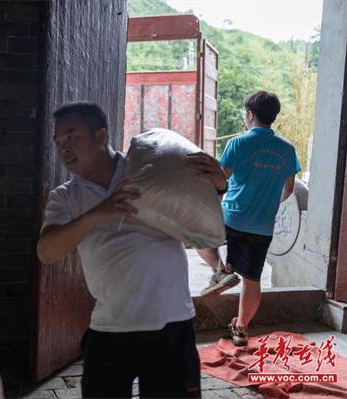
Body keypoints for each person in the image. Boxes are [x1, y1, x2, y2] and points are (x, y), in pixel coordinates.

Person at [36, 102, 227, 398]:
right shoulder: (66, 198)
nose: (64, 148)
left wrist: (217, 187)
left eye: (72, 137)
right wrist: (98, 214)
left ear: (101, 137)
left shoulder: (153, 171)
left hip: (171, 323)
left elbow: (203, 214)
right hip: (111, 327)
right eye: (59, 142)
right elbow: (46, 251)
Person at [196, 91, 300, 346]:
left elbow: (221, 179)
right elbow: (288, 189)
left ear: (250, 114)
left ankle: (220, 271)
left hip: (233, 215)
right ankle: (241, 329)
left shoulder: (238, 144)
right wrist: (266, 206)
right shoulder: (287, 150)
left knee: (196, 234)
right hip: (263, 225)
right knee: (253, 278)